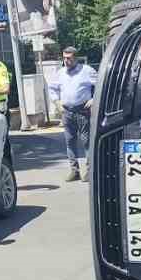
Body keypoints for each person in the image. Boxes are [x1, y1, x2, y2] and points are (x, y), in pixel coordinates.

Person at [48, 46, 97, 182]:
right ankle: (74, 171)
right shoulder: (60, 73)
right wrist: (57, 103)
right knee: (70, 142)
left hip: (82, 111)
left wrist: (93, 99)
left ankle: (89, 171)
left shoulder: (87, 71)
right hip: (67, 111)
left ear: (75, 58)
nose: (66, 61)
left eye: (69, 58)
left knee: (86, 141)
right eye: (64, 58)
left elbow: (100, 85)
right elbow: (52, 88)